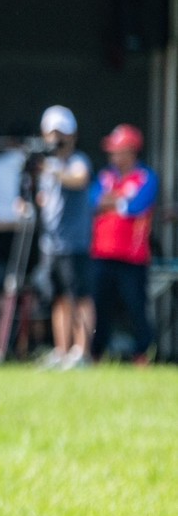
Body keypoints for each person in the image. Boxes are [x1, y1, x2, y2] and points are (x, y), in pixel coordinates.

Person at [90, 124, 158, 362]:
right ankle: (96, 354)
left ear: (131, 151)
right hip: (101, 253)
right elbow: (93, 202)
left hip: (133, 256)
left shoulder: (146, 177)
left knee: (136, 307)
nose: (113, 156)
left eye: (118, 150)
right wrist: (117, 202)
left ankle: (143, 354)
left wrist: (113, 203)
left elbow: (136, 207)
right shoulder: (105, 176)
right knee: (100, 308)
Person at [34, 105, 94, 369]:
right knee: (58, 297)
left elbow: (79, 179)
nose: (55, 139)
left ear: (72, 135)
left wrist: (53, 168)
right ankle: (62, 350)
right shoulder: (46, 167)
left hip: (74, 243)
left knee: (79, 297)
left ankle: (82, 352)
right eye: (51, 133)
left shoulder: (78, 161)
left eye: (60, 133)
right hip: (51, 244)